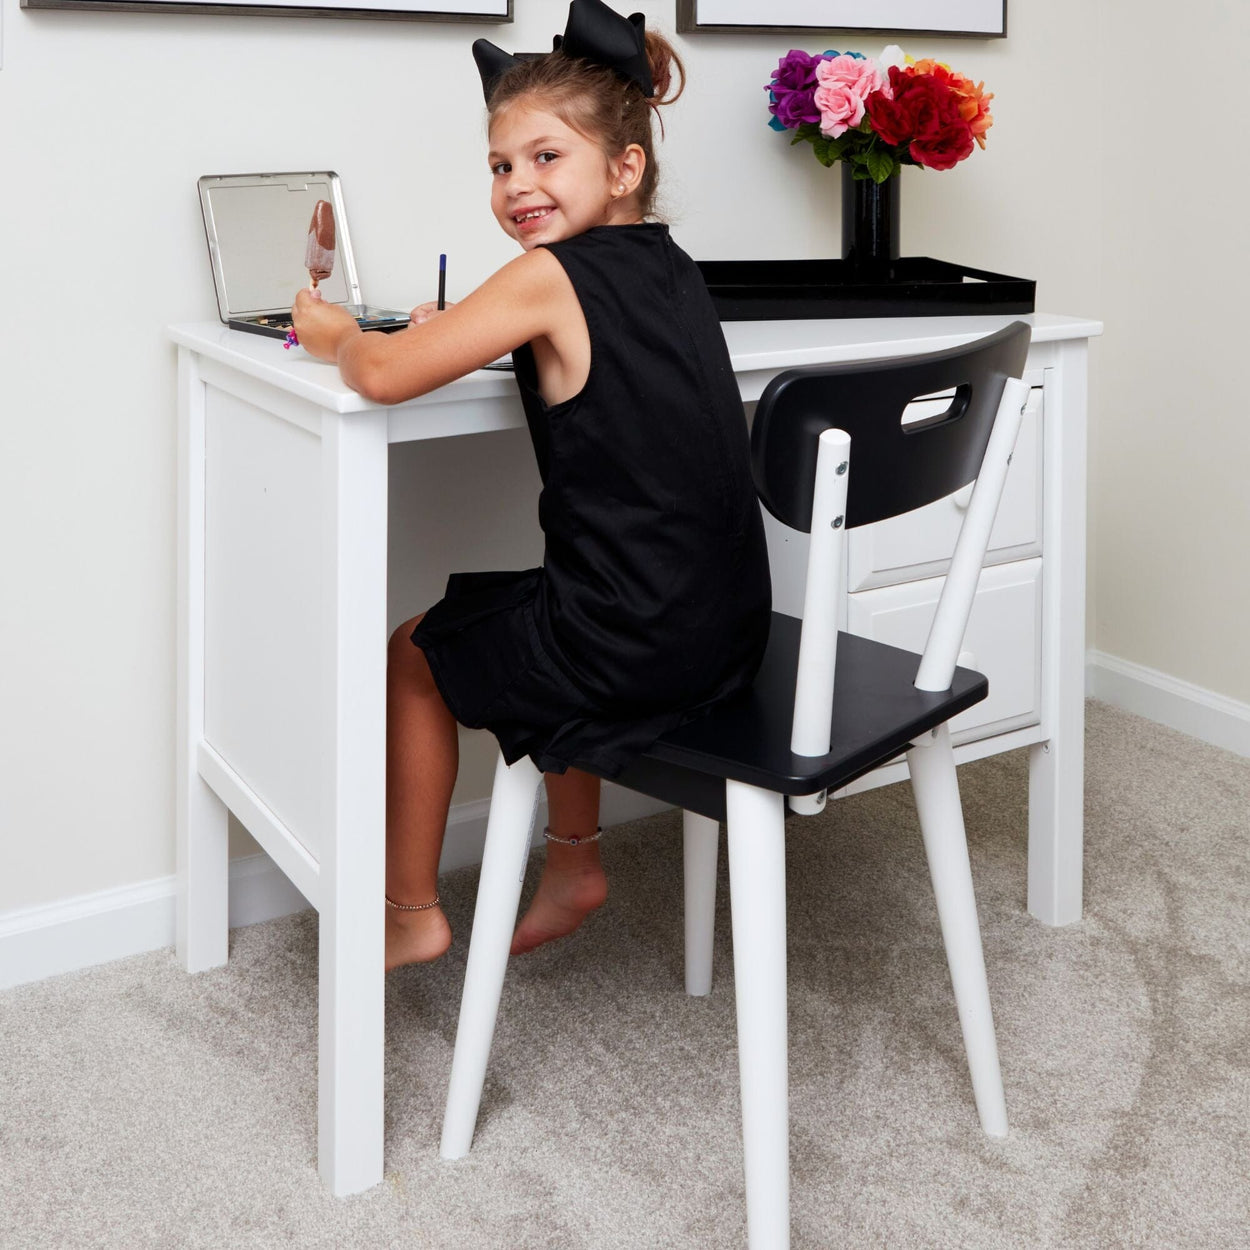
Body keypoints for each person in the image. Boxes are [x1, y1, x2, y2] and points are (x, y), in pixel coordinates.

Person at [291, 0, 772, 971]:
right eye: (500, 166)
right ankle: (574, 863)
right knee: (550, 595)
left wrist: (336, 332)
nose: (516, 185)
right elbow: (573, 338)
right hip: (724, 632)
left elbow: (381, 374)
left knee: (416, 651)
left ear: (623, 168)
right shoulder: (671, 266)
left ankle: (409, 910)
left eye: (545, 157)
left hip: (631, 650)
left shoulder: (548, 275)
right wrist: (458, 326)